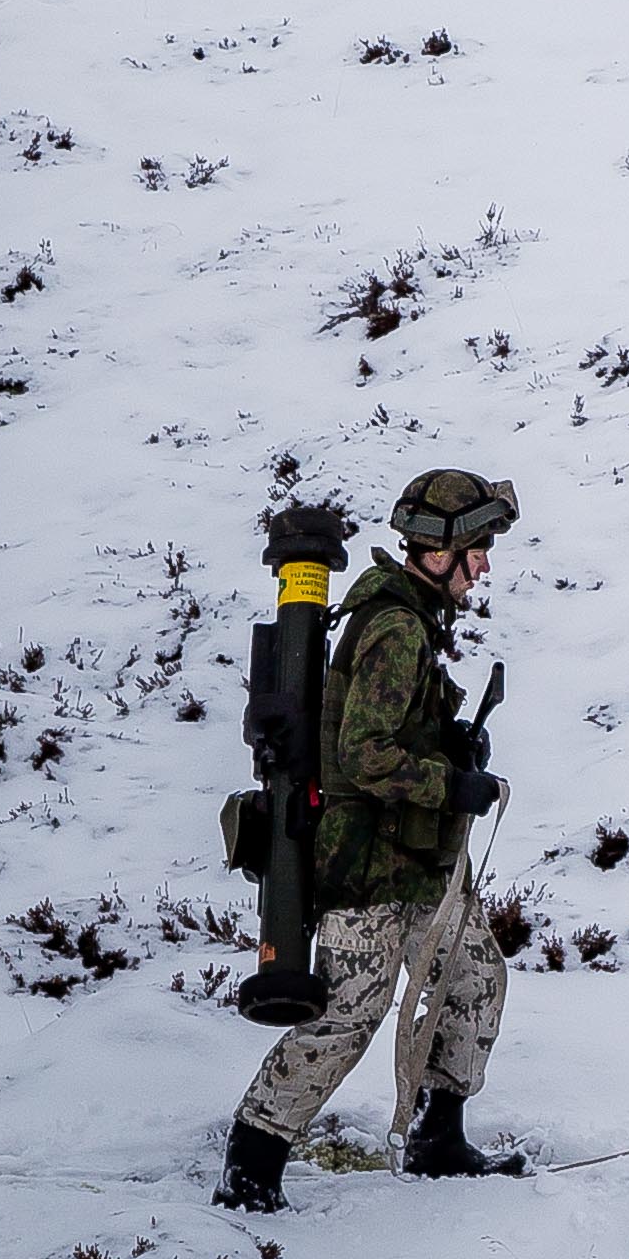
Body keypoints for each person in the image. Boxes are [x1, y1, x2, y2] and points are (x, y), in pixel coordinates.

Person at [218, 470, 520, 1207]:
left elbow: (390, 732)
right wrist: (452, 786)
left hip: (416, 861)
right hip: (368, 864)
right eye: (478, 546)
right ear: (440, 548)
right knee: (350, 1011)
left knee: (476, 978)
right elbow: (364, 755)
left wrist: (449, 744)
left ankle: (436, 1139)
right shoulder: (394, 627)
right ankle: (252, 1163)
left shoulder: (412, 620)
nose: (484, 564)